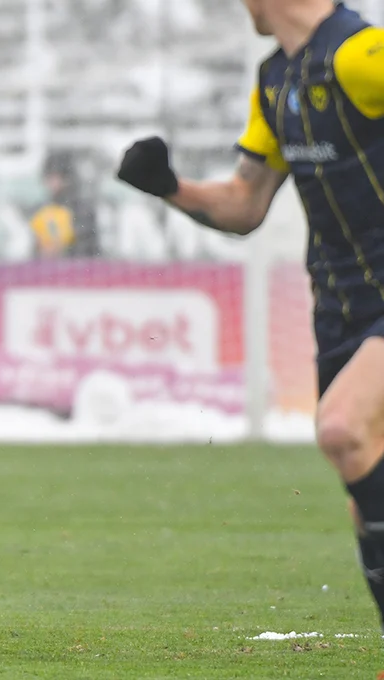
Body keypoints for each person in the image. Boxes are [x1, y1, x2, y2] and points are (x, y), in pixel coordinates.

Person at [116, 0, 384, 632]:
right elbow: (245, 203)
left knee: (342, 430)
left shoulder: (362, 55)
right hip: (340, 309)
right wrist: (169, 186)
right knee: (363, 495)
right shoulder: (276, 80)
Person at [29, 151, 99, 258]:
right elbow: (35, 247)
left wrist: (62, 249)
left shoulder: (81, 210)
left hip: (75, 265)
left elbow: (87, 248)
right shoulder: (42, 209)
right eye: (49, 177)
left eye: (55, 177)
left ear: (67, 179)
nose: (51, 183)